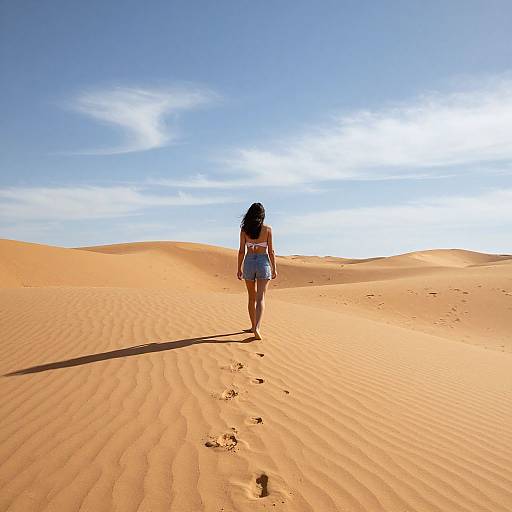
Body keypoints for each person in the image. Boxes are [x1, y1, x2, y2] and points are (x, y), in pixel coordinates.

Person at [237, 203, 277, 340]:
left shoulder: (244, 230)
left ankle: (253, 326)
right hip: (262, 262)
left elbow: (241, 251)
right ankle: (257, 327)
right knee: (260, 298)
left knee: (251, 297)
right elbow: (271, 251)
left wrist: (239, 268)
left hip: (248, 262)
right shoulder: (268, 229)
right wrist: (274, 268)